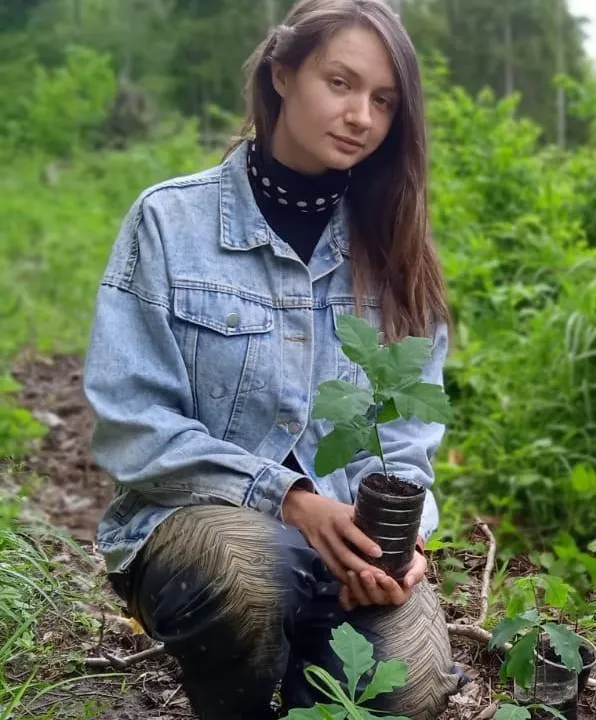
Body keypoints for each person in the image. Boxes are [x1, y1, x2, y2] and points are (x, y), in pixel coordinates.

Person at [82, 1, 464, 717]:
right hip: (197, 534)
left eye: (384, 101)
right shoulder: (171, 224)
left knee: (410, 685)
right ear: (283, 73)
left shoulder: (395, 248)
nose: (361, 116)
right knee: (255, 571)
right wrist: (289, 499)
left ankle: (298, 673)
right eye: (341, 83)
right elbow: (131, 425)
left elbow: (408, 438)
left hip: (346, 555)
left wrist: (400, 545)